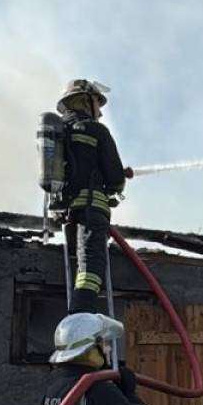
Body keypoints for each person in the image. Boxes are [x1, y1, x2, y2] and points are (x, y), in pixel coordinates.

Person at [54, 79, 128, 315]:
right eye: (98, 102)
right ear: (86, 101)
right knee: (91, 268)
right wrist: (118, 180)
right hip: (91, 211)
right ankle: (79, 317)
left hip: (68, 214)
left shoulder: (60, 133)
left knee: (77, 266)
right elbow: (115, 177)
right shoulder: (97, 131)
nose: (101, 110)